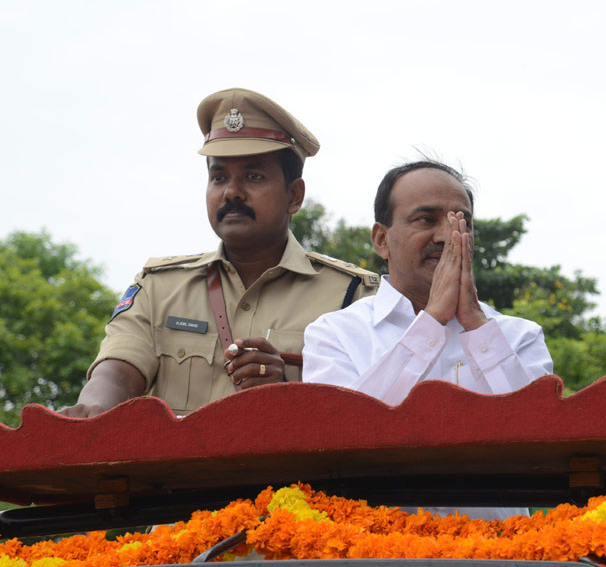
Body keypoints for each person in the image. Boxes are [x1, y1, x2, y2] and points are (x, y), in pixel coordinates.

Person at [61, 88, 378, 418]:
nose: (232, 192)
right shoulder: (159, 289)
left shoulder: (353, 296)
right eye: (218, 177)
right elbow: (115, 374)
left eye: (253, 176)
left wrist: (286, 391)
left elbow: (370, 412)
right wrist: (92, 411)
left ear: (294, 196)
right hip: (181, 470)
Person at [302, 160, 554, 519]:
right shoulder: (333, 334)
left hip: (498, 555)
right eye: (426, 220)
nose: (445, 237)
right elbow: (341, 439)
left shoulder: (519, 336)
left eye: (459, 223)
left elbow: (542, 443)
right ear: (381, 239)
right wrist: (432, 321)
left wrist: (478, 328)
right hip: (374, 555)